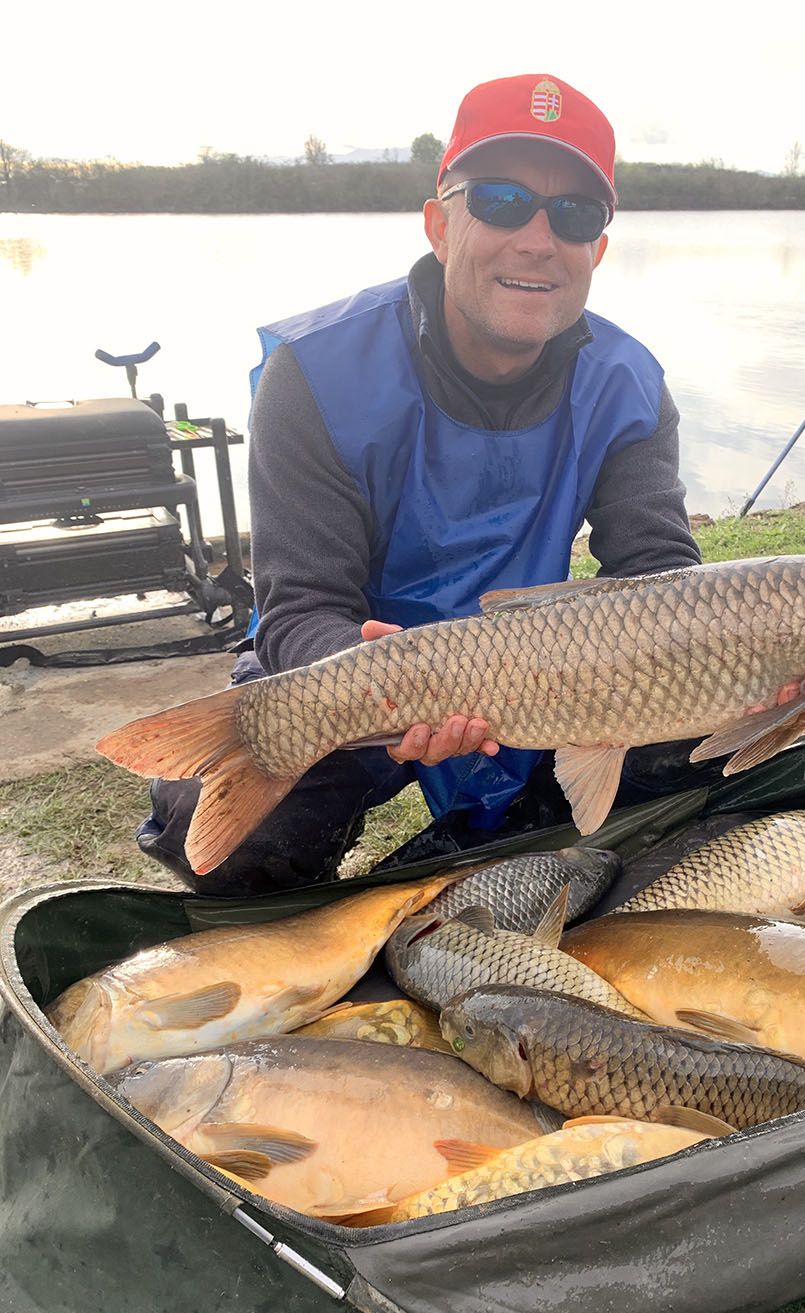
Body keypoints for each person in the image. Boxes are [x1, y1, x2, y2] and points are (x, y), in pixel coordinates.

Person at [137, 73, 705, 895]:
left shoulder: (629, 382)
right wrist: (398, 684)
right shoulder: (318, 370)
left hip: (548, 671)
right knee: (225, 827)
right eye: (504, 201)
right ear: (441, 224)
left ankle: (537, 867)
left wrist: (767, 663)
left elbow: (659, 574)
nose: (538, 239)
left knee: (695, 750)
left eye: (574, 215)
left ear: (597, 250)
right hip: (352, 662)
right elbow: (301, 607)